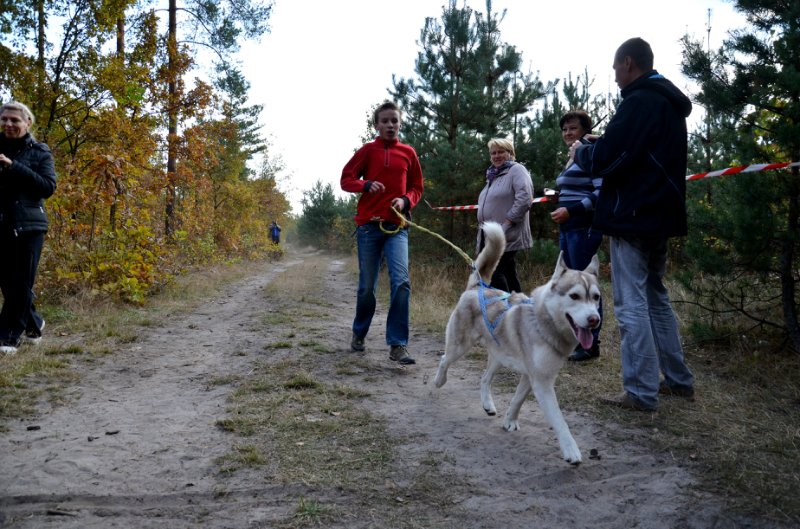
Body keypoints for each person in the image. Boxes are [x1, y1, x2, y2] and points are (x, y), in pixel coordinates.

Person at [571, 37, 695, 411]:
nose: (614, 77)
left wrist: (584, 152)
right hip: (659, 214)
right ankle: (678, 380)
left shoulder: (640, 101)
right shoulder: (666, 103)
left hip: (633, 217)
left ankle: (641, 392)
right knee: (655, 296)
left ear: (628, 63)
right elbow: (637, 153)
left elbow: (610, 160)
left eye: (615, 68)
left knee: (630, 304)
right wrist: (602, 142)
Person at [340, 101, 424, 365]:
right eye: (385, 121)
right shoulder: (367, 151)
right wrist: (365, 185)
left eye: (394, 121)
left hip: (397, 228)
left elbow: (417, 187)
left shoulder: (408, 153)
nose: (390, 125)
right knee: (367, 288)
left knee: (401, 282)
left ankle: (398, 344)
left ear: (400, 124)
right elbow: (346, 179)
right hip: (368, 227)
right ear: (376, 125)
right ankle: (359, 333)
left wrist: (406, 201)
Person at [0, 101, 57, 355]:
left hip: (30, 226)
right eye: (5, 119)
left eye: (15, 120)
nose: (9, 124)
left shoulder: (39, 151)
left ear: (27, 123)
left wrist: (14, 166)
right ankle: (34, 322)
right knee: (8, 283)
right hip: (2, 224)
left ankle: (7, 338)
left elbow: (47, 187)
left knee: (21, 282)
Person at [550, 110, 604, 361]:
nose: (568, 133)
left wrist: (570, 210)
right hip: (568, 227)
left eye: (573, 128)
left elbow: (600, 193)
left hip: (582, 227)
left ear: (585, 130)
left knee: (587, 285)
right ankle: (579, 339)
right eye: (564, 129)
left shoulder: (591, 154)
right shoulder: (572, 156)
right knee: (574, 285)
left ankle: (591, 345)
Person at [476, 138, 533, 293]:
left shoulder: (516, 170)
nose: (496, 156)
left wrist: (507, 224)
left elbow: (525, 199)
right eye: (493, 153)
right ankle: (520, 310)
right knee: (508, 274)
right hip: (490, 235)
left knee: (493, 273)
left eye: (501, 151)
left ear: (510, 153)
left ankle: (505, 311)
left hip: (507, 233)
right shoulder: (494, 176)